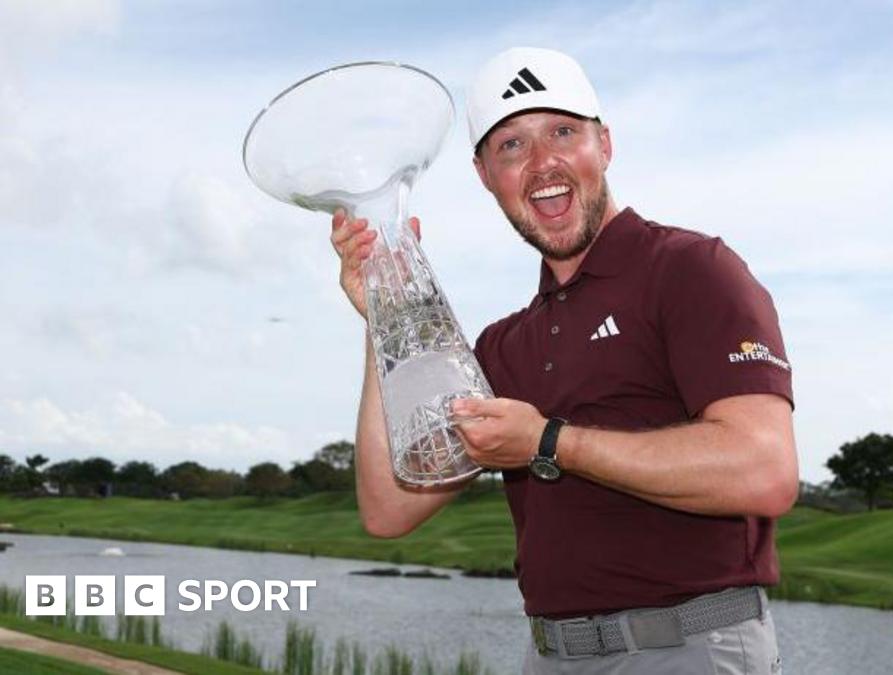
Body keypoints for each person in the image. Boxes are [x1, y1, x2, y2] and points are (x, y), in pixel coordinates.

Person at [330, 47, 797, 674]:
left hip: (688, 649)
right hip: (551, 656)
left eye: (563, 132)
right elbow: (391, 507)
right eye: (511, 146)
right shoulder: (503, 346)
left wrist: (546, 441)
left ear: (604, 145)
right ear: (485, 175)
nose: (542, 161)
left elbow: (763, 470)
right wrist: (382, 315)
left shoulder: (691, 270)